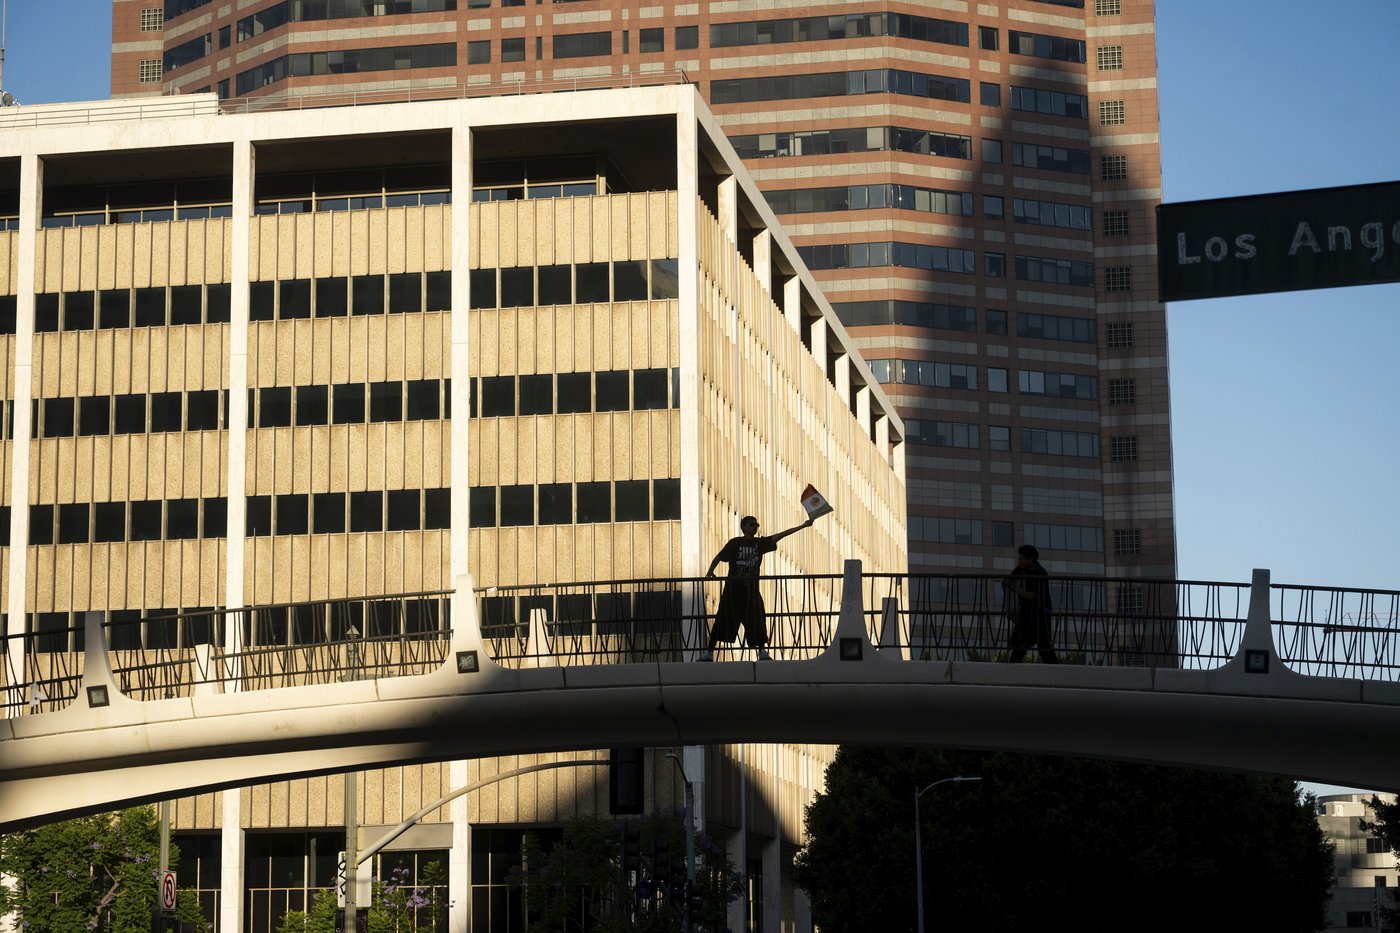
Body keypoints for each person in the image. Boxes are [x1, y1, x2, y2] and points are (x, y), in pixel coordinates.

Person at [699, 514, 813, 660]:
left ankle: (762, 651)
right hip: (733, 590)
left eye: (756, 525)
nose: (755, 527)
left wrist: (802, 526)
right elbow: (719, 557)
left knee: (757, 619)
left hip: (751, 590)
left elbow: (780, 535)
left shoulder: (759, 544)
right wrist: (710, 571)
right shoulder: (735, 543)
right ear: (744, 527)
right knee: (723, 618)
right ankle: (709, 652)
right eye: (752, 524)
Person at [1002, 544, 1058, 663]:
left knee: (1043, 647)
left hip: (1041, 614)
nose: (1020, 561)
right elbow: (1007, 581)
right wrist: (1019, 590)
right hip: (1027, 612)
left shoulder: (1040, 573)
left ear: (1030, 559)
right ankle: (1014, 666)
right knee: (1019, 645)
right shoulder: (1022, 568)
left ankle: (1056, 670)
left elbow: (1031, 595)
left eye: (1022, 559)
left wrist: (1016, 589)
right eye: (1019, 558)